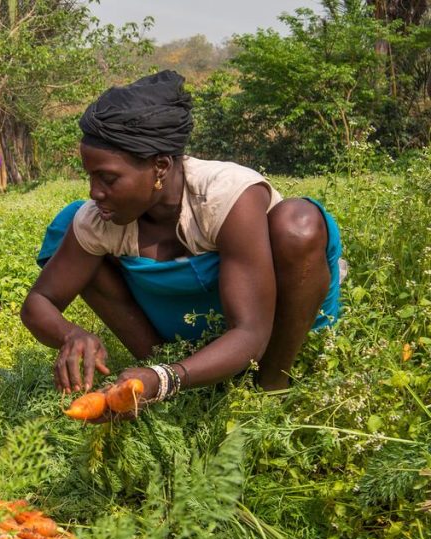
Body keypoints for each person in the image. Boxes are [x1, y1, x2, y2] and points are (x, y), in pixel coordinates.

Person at [21, 71, 343, 412]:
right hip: (184, 324)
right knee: (69, 224)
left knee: (298, 223)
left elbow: (251, 332)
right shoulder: (100, 218)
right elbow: (39, 301)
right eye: (90, 176)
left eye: (108, 178)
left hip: (268, 325)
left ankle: (271, 387)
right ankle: (164, 368)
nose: (94, 191)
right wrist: (71, 334)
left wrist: (164, 379)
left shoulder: (226, 194)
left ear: (160, 166)